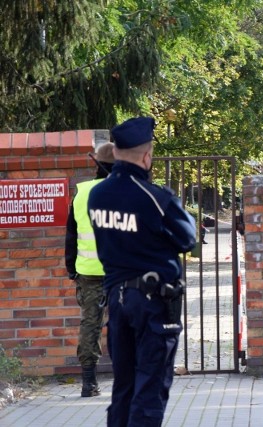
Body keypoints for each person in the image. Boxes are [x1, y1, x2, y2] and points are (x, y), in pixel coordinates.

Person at [87, 117, 196, 427]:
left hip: (117, 301)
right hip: (152, 304)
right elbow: (188, 238)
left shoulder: (97, 195)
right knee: (149, 390)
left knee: (124, 388)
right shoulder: (155, 197)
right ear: (147, 156)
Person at [65, 142, 115, 397]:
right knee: (127, 321)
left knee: (90, 324)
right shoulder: (122, 191)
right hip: (121, 271)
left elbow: (71, 234)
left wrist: (71, 268)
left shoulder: (81, 193)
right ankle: (130, 377)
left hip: (88, 271)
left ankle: (88, 382)